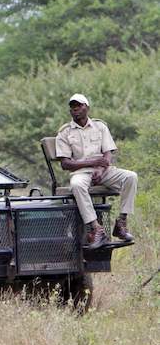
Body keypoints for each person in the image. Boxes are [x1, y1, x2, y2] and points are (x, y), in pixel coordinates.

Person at [56, 93, 138, 249]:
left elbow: (107, 154)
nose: (75, 109)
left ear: (87, 107)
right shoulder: (65, 132)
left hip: (104, 170)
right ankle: (96, 228)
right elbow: (65, 164)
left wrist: (100, 169)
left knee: (131, 177)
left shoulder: (100, 126)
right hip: (81, 173)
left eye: (79, 106)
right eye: (72, 107)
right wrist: (93, 162)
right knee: (77, 185)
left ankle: (121, 223)